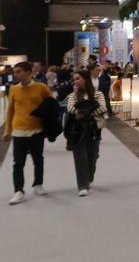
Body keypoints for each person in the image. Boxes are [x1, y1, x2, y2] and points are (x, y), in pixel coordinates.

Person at [3, 62, 54, 205]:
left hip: (37, 130)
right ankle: (18, 191)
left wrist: (46, 117)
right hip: (19, 130)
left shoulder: (41, 87)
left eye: (18, 71)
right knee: (18, 163)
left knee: (38, 159)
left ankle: (38, 184)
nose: (15, 74)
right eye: (15, 71)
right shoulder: (13, 89)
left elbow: (51, 103)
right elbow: (10, 111)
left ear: (28, 72)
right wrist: (7, 131)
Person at [66, 70, 106, 197]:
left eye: (78, 78)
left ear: (85, 79)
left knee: (93, 156)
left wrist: (84, 112)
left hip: (94, 129)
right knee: (79, 157)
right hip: (77, 130)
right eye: (75, 79)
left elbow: (102, 108)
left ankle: (88, 178)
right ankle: (82, 185)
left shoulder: (98, 94)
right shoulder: (73, 95)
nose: (75, 81)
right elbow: (71, 108)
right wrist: (89, 109)